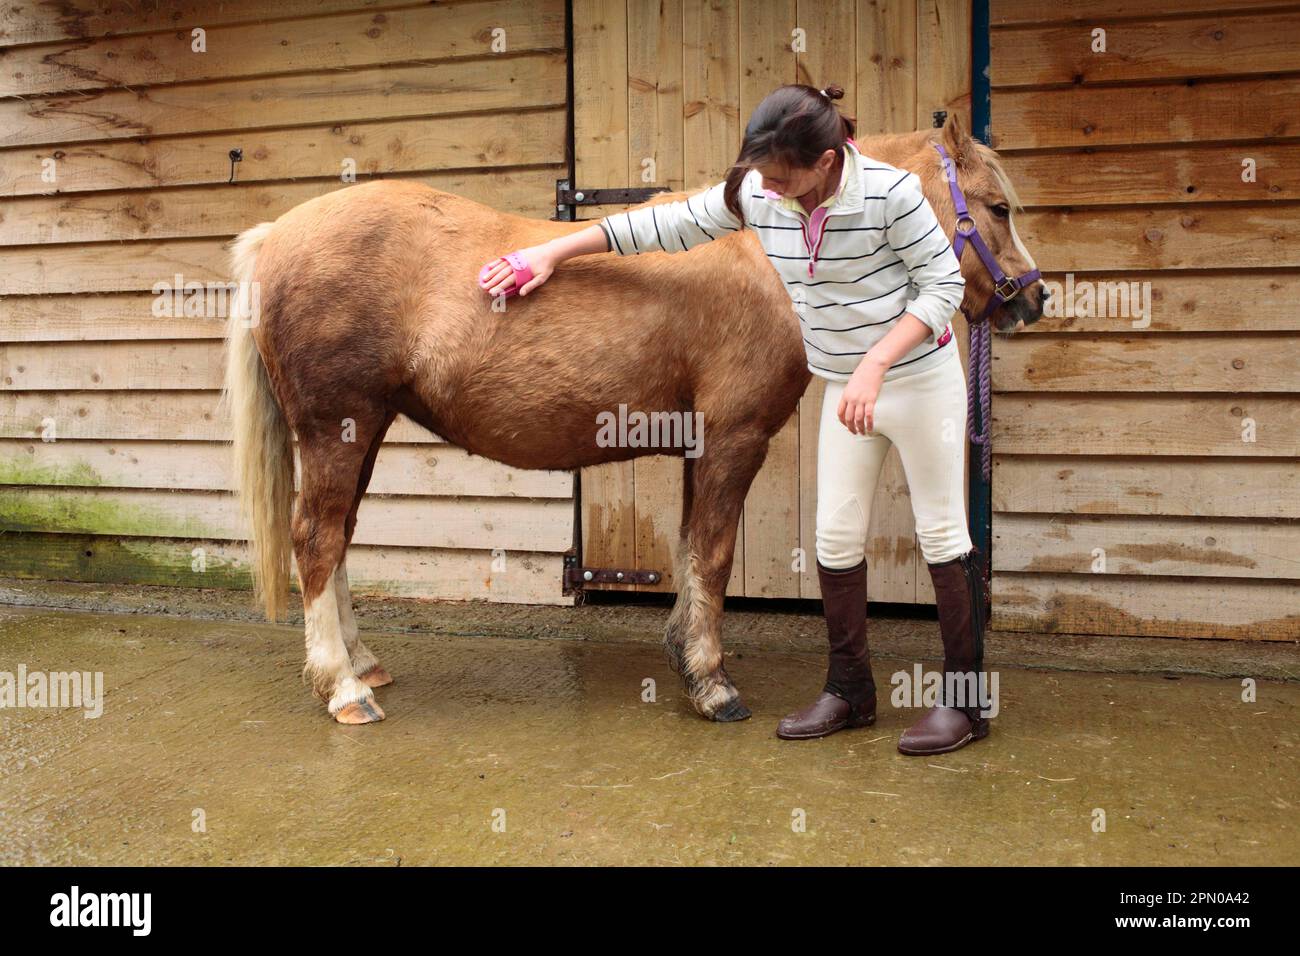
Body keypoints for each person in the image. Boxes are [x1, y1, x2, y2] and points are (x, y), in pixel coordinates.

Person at [478, 84, 990, 755]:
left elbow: (944, 286)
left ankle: (965, 704)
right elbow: (662, 227)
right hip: (847, 385)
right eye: (762, 176)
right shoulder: (762, 194)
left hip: (918, 380)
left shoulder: (891, 194)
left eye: (782, 176)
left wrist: (875, 364)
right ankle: (851, 692)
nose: (768, 190)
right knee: (835, 541)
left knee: (942, 534)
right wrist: (553, 252)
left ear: (828, 162)